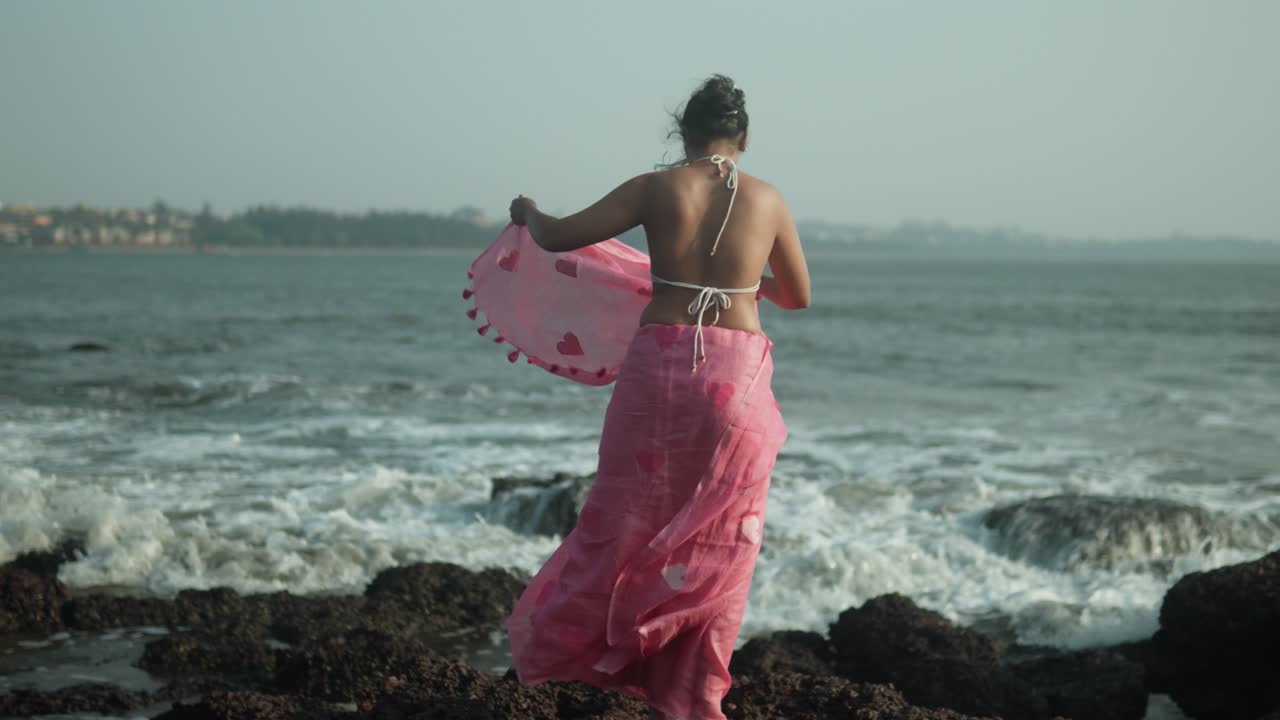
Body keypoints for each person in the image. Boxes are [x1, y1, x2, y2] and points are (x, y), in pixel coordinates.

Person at [496, 74, 810, 720]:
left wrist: (528, 211)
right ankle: (692, 698)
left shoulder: (655, 187)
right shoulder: (769, 199)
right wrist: (745, 284)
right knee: (724, 539)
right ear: (743, 137)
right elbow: (798, 296)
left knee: (617, 523)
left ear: (683, 133)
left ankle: (558, 670)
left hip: (661, 367)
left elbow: (557, 237)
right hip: (738, 375)